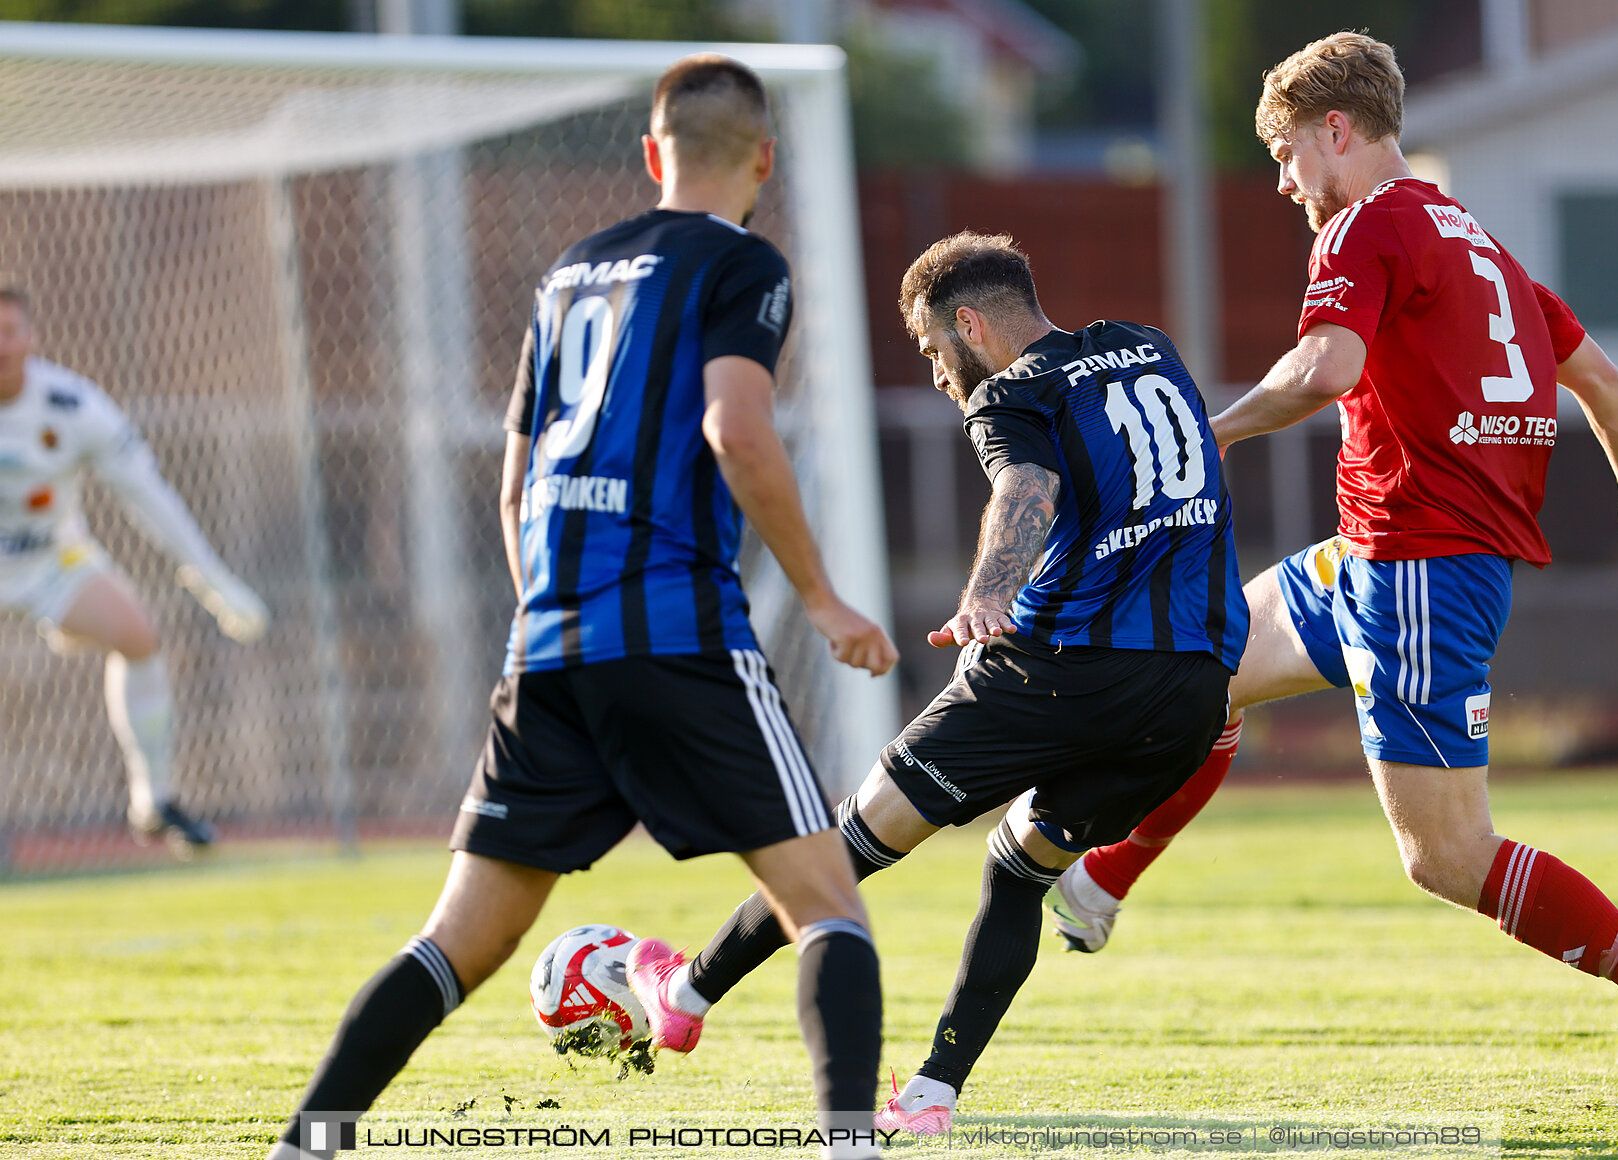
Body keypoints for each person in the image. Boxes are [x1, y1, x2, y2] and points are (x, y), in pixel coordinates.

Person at [1044, 32, 1618, 1112]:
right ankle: (1102, 879)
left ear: (1338, 130)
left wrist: (1211, 429)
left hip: (1421, 570)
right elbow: (1602, 378)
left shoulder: (1360, 225)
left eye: (1287, 153)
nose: (1284, 182)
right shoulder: (1473, 237)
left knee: (1447, 856)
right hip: (1377, 553)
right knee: (1202, 663)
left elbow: (1324, 370)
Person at [266, 55, 897, 1160]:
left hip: (549, 641)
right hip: (678, 634)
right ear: (762, 159)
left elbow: (514, 483)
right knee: (829, 907)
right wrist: (823, 595)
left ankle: (308, 1142)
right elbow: (735, 430)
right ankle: (852, 1145)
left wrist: (552, 616)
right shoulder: (743, 262)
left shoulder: (569, 272)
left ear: (653, 155)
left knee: (458, 940)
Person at [622, 232, 1246, 1138]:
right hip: (1191, 692)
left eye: (930, 350)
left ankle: (682, 995)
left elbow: (1023, 485)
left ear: (969, 324)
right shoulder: (1149, 346)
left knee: (845, 845)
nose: (937, 375)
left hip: (1062, 670)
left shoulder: (1011, 392)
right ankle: (931, 1096)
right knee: (1019, 867)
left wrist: (990, 594)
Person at [0, 287, 267, 851]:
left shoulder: (72, 406)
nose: (1, 347)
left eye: (9, 332)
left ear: (30, 338)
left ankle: (155, 800)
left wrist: (212, 581)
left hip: (50, 560)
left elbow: (148, 496)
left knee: (138, 635)